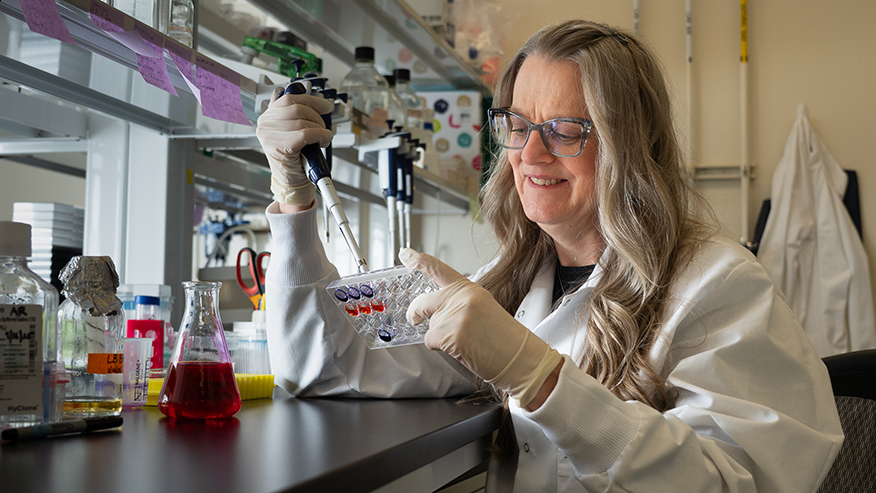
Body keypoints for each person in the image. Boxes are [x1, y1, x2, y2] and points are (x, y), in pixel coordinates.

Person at [257, 19, 843, 493]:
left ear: (631, 146)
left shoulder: (719, 286)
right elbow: (329, 371)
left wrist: (537, 377)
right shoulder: (515, 283)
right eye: (517, 124)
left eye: (566, 129)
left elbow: (728, 484)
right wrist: (292, 195)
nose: (530, 153)